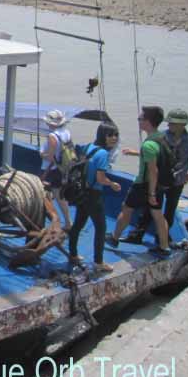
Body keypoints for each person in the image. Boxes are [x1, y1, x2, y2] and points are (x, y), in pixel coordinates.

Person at [125, 108, 188, 243]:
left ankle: (161, 238)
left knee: (169, 212)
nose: (169, 125)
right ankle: (136, 235)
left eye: (172, 123)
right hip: (160, 180)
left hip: (177, 182)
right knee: (149, 209)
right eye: (169, 123)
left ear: (183, 125)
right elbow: (151, 154)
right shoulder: (161, 136)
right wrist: (134, 153)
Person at [106, 106, 171, 256]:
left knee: (126, 209)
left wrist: (151, 193)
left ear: (148, 122)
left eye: (140, 119)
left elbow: (153, 170)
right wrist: (136, 152)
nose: (138, 121)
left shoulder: (148, 144)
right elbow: (154, 158)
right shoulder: (161, 137)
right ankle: (164, 246)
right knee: (158, 215)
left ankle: (114, 238)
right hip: (159, 185)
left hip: (144, 185)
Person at [68, 123, 122, 273]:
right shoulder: (103, 154)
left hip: (81, 192)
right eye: (110, 135)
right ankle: (98, 262)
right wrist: (112, 184)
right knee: (101, 228)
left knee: (78, 224)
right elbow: (100, 178)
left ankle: (73, 254)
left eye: (116, 135)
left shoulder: (88, 147)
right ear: (102, 135)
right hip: (93, 194)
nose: (114, 138)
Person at [40, 109, 72, 229]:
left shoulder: (52, 136)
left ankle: (52, 221)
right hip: (61, 169)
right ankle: (67, 221)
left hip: (50, 170)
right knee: (59, 196)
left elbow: (51, 157)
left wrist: (41, 154)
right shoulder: (66, 132)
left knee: (45, 195)